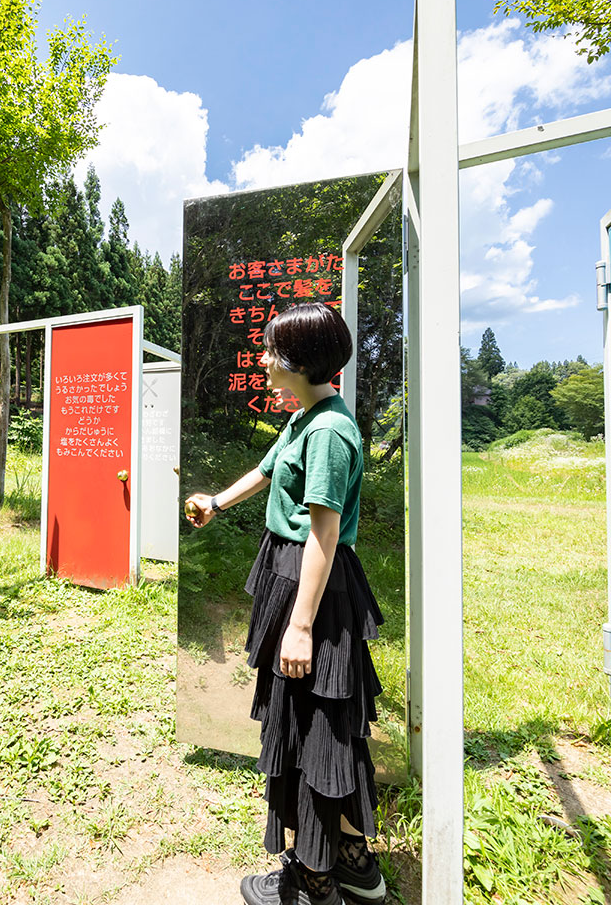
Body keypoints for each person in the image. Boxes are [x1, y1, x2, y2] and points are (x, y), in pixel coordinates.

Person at [185, 303, 385, 905]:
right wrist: (217, 502)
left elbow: (324, 532)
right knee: (318, 723)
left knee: (315, 729)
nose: (264, 359)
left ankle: (314, 882)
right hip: (294, 575)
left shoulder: (327, 433)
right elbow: (267, 471)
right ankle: (354, 865)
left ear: (299, 363)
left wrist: (300, 627)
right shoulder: (306, 416)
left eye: (272, 351)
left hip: (311, 587)